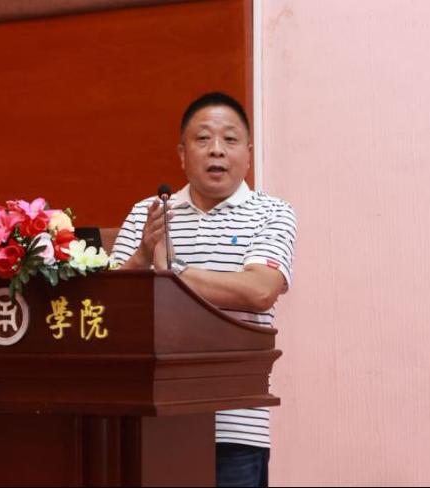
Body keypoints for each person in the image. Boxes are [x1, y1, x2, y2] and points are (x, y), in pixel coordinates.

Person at [110, 92, 296, 487]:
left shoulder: (272, 212)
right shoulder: (149, 213)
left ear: (248, 154)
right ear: (182, 154)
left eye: (229, 139)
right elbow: (111, 306)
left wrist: (172, 273)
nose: (216, 150)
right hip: (150, 418)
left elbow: (259, 290)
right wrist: (142, 258)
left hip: (235, 423)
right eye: (203, 139)